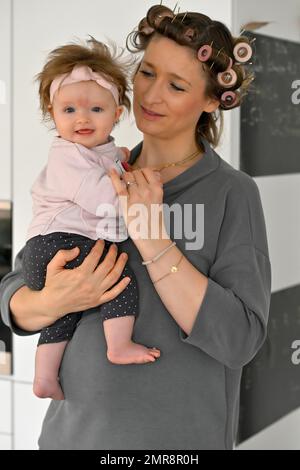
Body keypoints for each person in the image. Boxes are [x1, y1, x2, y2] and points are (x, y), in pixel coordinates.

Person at [0, 4, 271, 450]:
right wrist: (51, 300)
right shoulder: (95, 167)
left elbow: (239, 339)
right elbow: (14, 296)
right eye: (146, 73)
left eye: (176, 85)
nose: (151, 95)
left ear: (210, 101)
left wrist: (151, 236)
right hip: (69, 437)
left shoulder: (231, 193)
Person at [21, 37, 162, 402]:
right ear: (53, 114)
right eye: (69, 111)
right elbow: (102, 198)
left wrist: (122, 158)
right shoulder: (67, 156)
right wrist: (131, 186)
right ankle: (119, 345)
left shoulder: (97, 151)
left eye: (95, 110)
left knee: (63, 317)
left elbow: (110, 159)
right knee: (120, 281)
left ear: (117, 114)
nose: (82, 118)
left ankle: (45, 377)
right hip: (61, 244)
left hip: (48, 247)